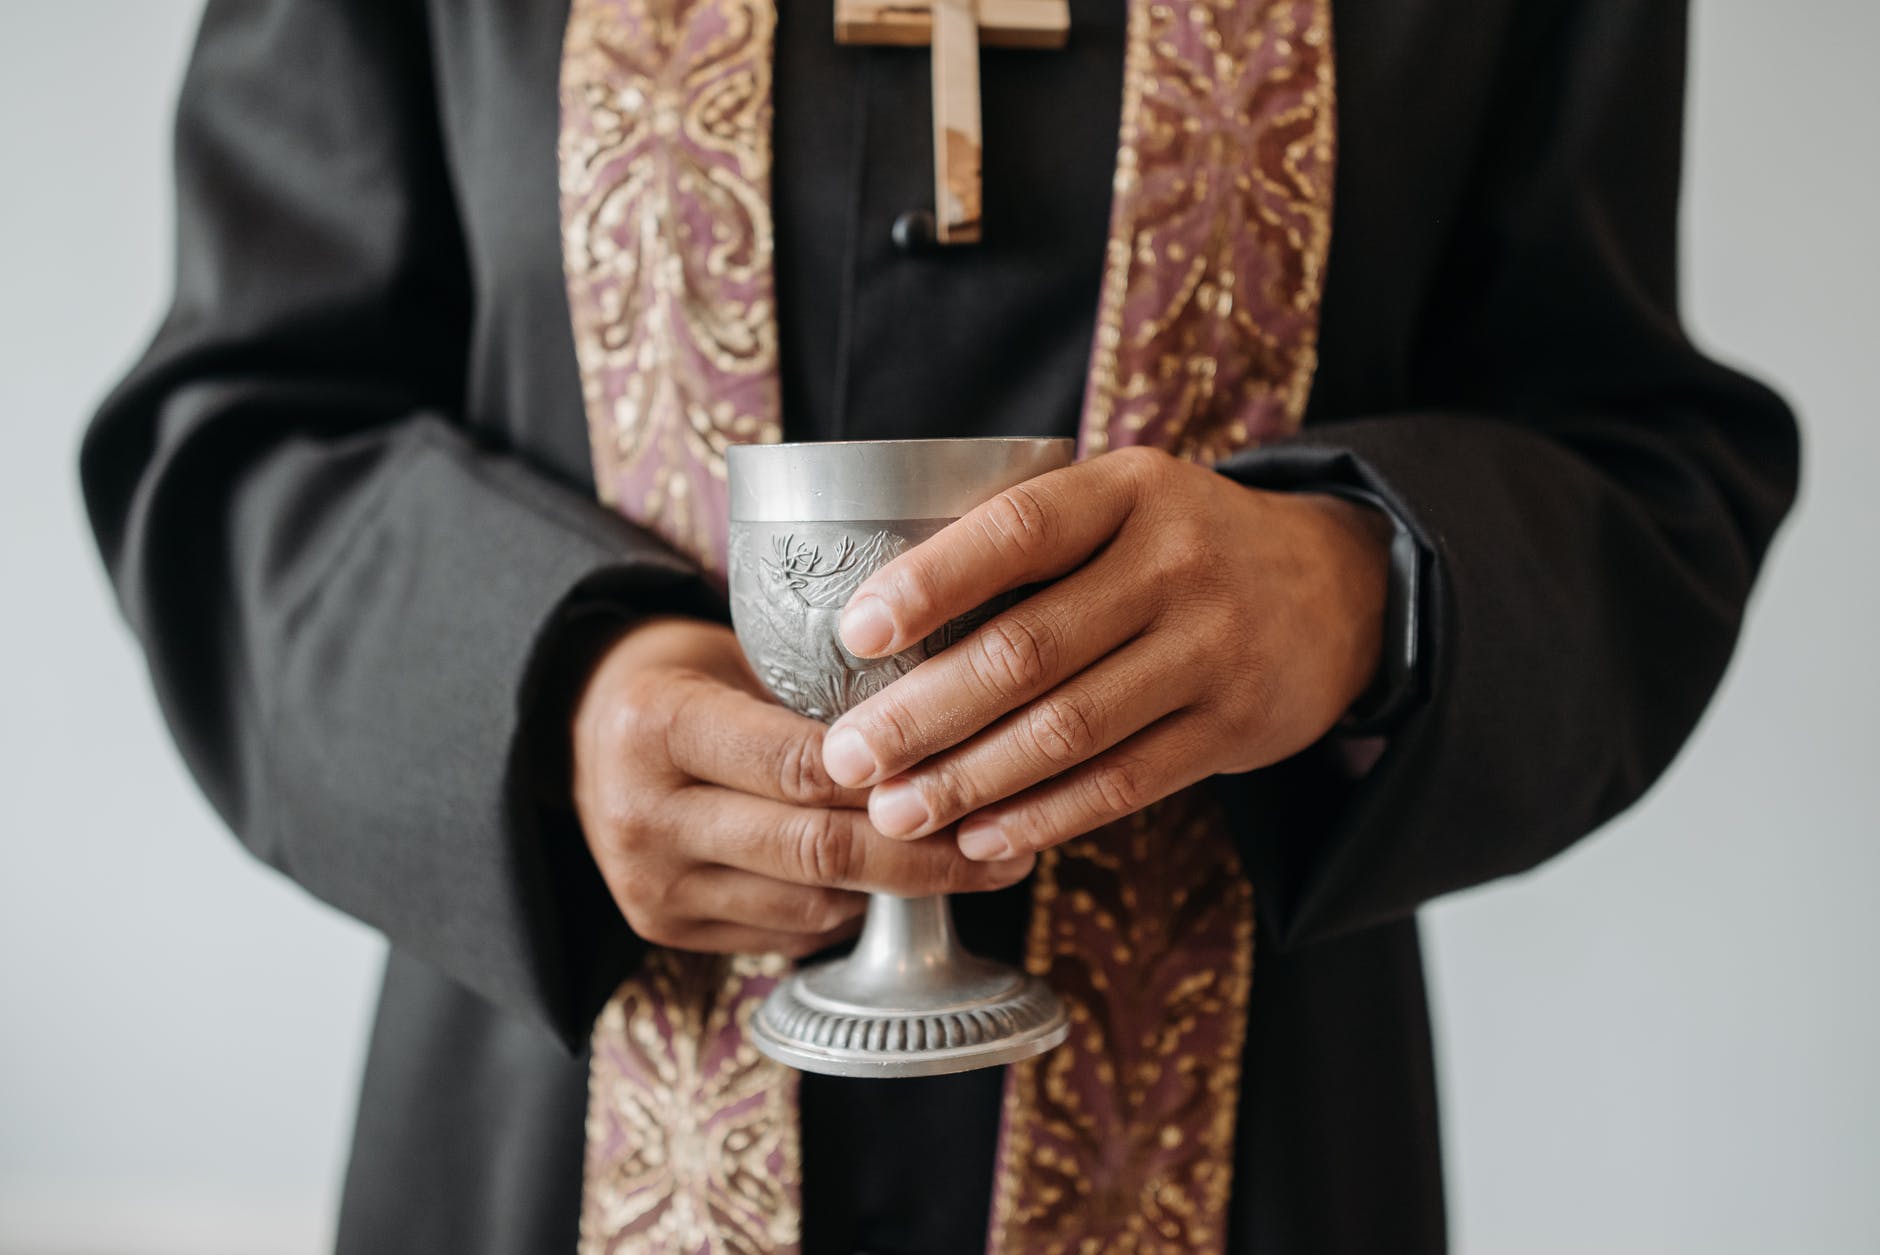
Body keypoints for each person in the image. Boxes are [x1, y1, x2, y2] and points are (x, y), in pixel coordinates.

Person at [81, 0, 1798, 1251]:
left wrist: (1364, 586)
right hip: (563, 1133)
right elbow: (238, 436)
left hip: (1256, 1140)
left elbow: (1640, 450)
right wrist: (541, 701)